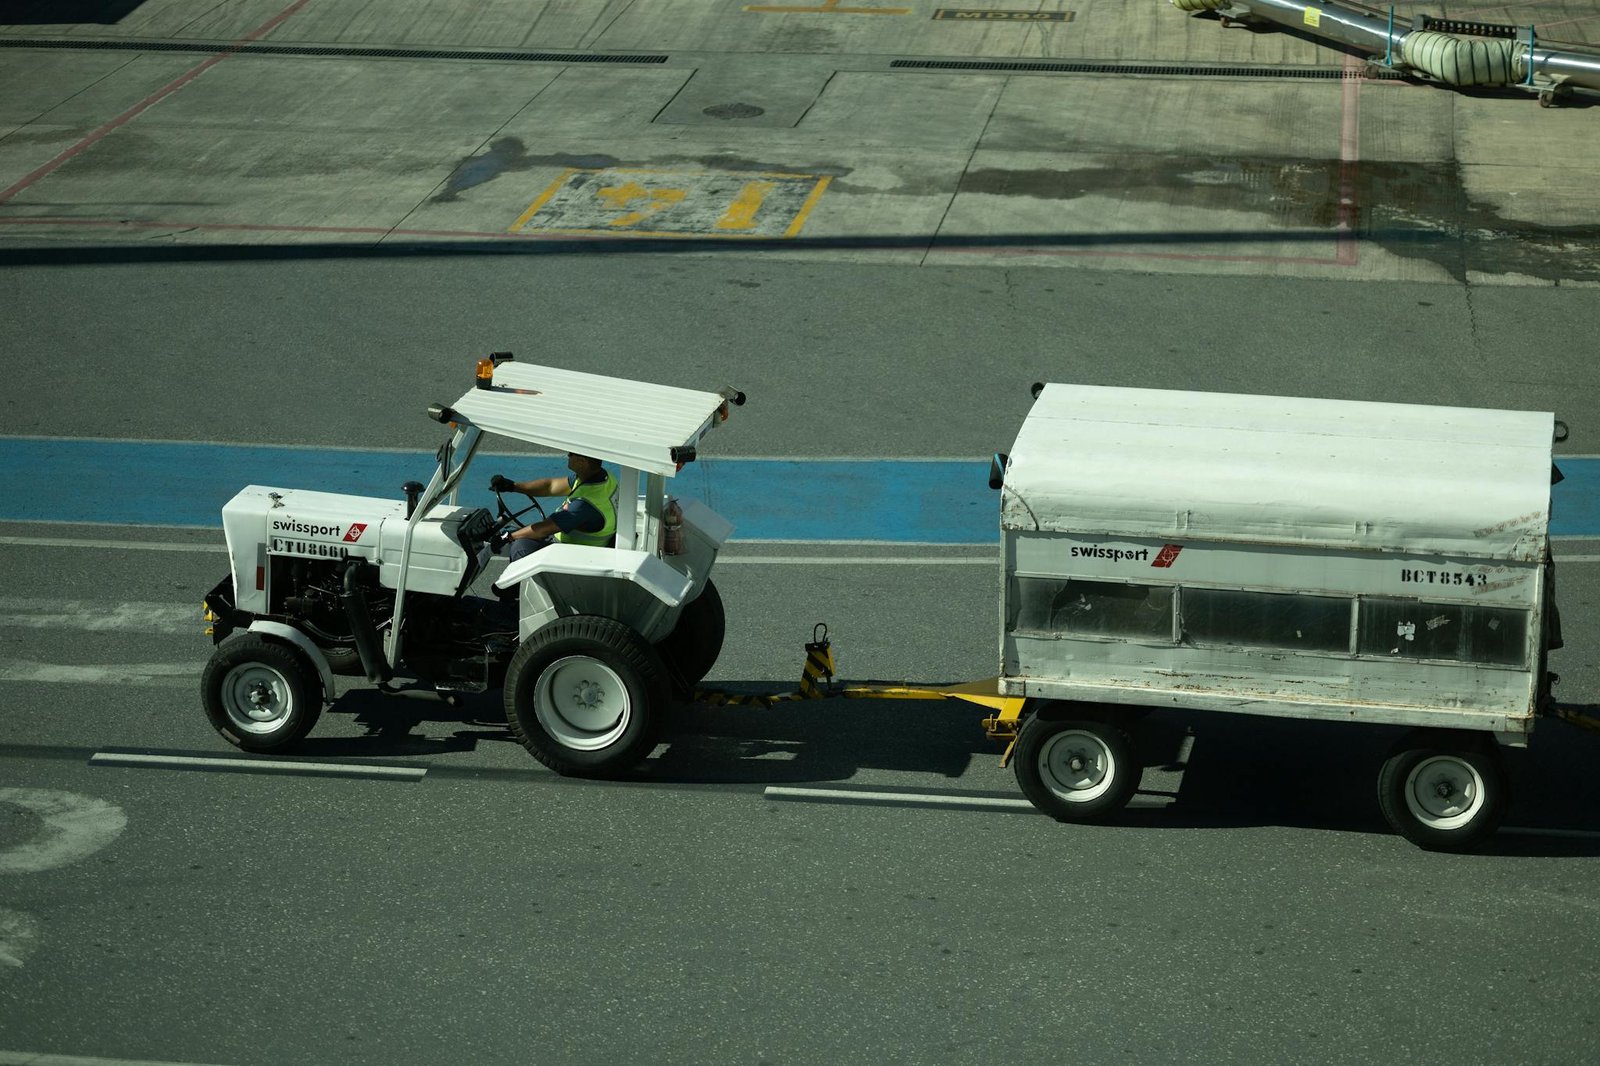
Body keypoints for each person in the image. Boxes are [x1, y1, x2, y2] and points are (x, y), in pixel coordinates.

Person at [489, 453, 617, 561]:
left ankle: (512, 590)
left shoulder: (584, 503)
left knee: (521, 546)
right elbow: (549, 486)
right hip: (577, 545)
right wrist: (513, 487)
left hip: (576, 554)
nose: (568, 455)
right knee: (516, 533)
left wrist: (506, 537)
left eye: (571, 453)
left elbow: (543, 529)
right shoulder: (600, 477)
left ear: (582, 462)